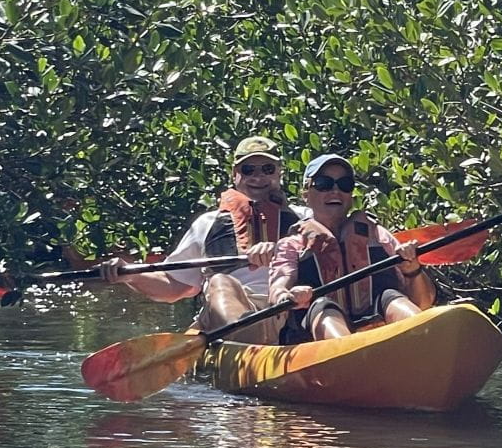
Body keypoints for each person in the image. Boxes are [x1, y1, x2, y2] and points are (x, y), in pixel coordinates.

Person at [99, 136, 308, 344]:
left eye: (268, 169)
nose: (258, 177)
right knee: (220, 281)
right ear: (235, 174)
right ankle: (247, 349)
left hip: (289, 307)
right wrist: (130, 274)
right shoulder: (207, 223)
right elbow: (174, 286)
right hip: (230, 313)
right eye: (248, 170)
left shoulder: (306, 218)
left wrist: (281, 249)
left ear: (280, 173)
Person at [268, 153, 436, 342]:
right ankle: (345, 352)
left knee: (391, 297)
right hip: (317, 333)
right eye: (324, 184)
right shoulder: (292, 244)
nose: (335, 191)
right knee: (324, 308)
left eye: (344, 184)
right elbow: (279, 286)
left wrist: (413, 270)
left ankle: (425, 337)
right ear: (306, 193)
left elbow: (424, 302)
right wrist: (286, 296)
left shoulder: (377, 235)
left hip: (379, 323)